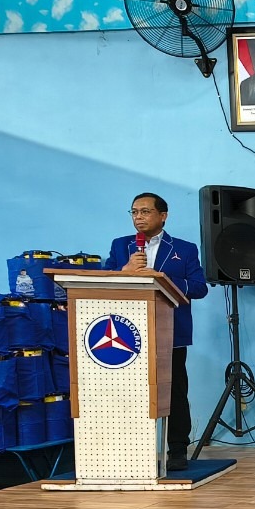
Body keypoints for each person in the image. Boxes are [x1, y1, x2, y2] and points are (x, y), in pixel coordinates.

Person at [106, 192, 209, 471]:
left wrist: (160, 278)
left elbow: (199, 287)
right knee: (128, 391)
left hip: (170, 333)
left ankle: (177, 449)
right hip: (126, 334)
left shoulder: (184, 249)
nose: (138, 217)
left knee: (174, 390)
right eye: (134, 212)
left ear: (163, 216)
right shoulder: (120, 246)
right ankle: (131, 448)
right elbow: (104, 281)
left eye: (145, 211)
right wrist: (125, 270)